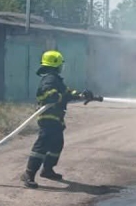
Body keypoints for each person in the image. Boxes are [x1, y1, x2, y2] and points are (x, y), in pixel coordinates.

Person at [21, 50, 97, 189]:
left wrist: (82, 95)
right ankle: (29, 174)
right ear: (55, 64)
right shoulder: (50, 79)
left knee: (56, 144)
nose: (62, 66)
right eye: (61, 64)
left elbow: (67, 92)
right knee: (41, 147)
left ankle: (47, 170)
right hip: (48, 119)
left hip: (56, 119)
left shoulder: (55, 79)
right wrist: (60, 97)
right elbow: (50, 94)